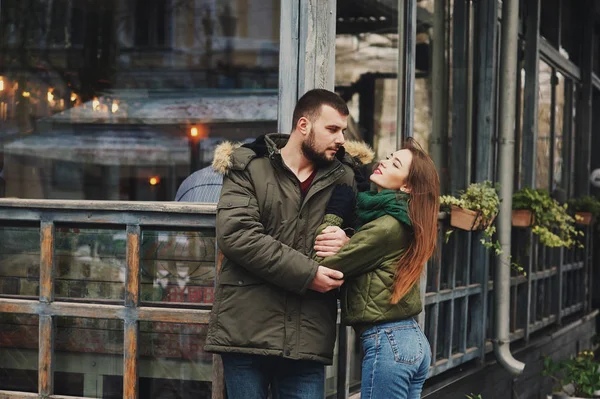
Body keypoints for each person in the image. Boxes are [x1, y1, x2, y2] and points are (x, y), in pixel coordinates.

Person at [204, 89, 374, 399]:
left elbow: (369, 238)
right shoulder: (249, 167)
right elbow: (237, 235)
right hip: (247, 330)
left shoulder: (346, 177)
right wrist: (309, 274)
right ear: (304, 125)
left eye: (343, 131)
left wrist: (348, 241)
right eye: (332, 129)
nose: (341, 139)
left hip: (307, 336)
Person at [314, 137, 439, 399]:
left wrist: (334, 215)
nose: (383, 162)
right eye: (389, 156)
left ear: (406, 186)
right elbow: (368, 252)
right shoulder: (399, 218)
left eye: (395, 164)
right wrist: (350, 240)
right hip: (409, 339)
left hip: (389, 341)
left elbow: (324, 266)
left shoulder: (386, 226)